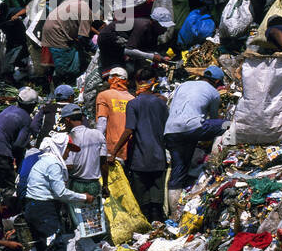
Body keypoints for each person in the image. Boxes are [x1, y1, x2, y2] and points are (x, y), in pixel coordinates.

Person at [21, 133, 93, 251]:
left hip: (33, 207)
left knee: (42, 246)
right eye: (67, 149)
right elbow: (60, 192)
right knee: (55, 246)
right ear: (61, 147)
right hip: (43, 208)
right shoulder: (53, 163)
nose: (68, 154)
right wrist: (83, 197)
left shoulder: (43, 161)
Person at [163, 66, 227, 208]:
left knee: (179, 170)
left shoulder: (183, 85)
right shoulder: (213, 92)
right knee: (226, 125)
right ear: (217, 81)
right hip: (191, 128)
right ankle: (216, 160)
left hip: (171, 131)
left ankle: (174, 213)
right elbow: (214, 118)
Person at [112, 69, 169, 224]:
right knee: (157, 198)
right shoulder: (161, 102)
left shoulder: (133, 104)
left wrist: (114, 152)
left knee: (142, 197)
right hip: (158, 156)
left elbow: (129, 129)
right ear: (153, 83)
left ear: (138, 83)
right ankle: (158, 224)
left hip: (140, 158)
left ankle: (145, 225)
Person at [40, 0, 97, 86]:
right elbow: (83, 37)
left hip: (49, 28)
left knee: (59, 61)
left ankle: (52, 83)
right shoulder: (87, 11)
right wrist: (95, 50)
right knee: (67, 69)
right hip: (58, 34)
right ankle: (63, 86)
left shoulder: (74, 1)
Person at [60, 104, 106, 198]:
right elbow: (104, 163)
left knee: (74, 212)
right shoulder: (98, 134)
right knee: (96, 211)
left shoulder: (68, 138)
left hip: (76, 185)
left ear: (67, 120)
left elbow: (69, 165)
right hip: (94, 185)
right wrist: (105, 185)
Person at [95, 67, 133, 174]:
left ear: (110, 79)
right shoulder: (132, 98)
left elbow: (102, 123)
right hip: (129, 148)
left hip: (111, 150)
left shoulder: (104, 95)